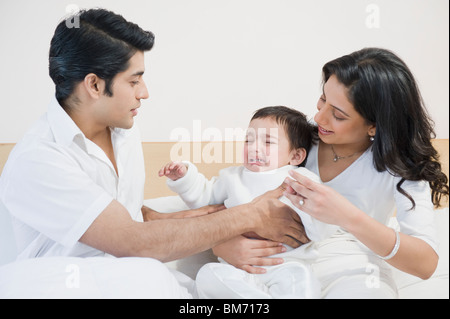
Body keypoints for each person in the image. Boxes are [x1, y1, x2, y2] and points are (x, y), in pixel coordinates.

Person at [0, 9, 305, 297]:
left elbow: (121, 211)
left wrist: (181, 218)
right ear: (93, 84)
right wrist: (247, 216)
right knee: (157, 278)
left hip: (127, 267)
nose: (144, 92)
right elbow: (130, 241)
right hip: (67, 283)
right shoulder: (40, 159)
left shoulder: (124, 128)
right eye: (134, 81)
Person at [214, 48, 449, 299]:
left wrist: (347, 216)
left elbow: (425, 264)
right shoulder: (298, 140)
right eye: (323, 99)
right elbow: (236, 188)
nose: (318, 117)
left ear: (375, 125)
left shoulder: (401, 169)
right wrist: (220, 244)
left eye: (338, 115)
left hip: (355, 270)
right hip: (281, 265)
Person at [159, 106, 338, 298]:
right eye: (248, 140)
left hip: (285, 265)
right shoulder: (231, 177)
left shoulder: (300, 179)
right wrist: (185, 177)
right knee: (208, 274)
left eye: (268, 141)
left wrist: (316, 219)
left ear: (295, 156)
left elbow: (323, 221)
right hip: (239, 269)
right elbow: (205, 197)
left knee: (301, 279)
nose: (254, 147)